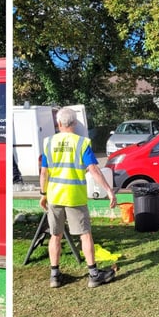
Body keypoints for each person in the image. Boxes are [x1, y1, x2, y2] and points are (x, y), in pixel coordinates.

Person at [39, 107, 117, 289]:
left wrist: (43, 194)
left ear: (58, 124)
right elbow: (94, 170)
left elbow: (44, 173)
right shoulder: (81, 143)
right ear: (74, 123)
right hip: (74, 196)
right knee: (85, 234)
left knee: (55, 235)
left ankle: (55, 276)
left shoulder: (48, 142)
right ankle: (93, 274)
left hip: (54, 195)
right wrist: (109, 190)